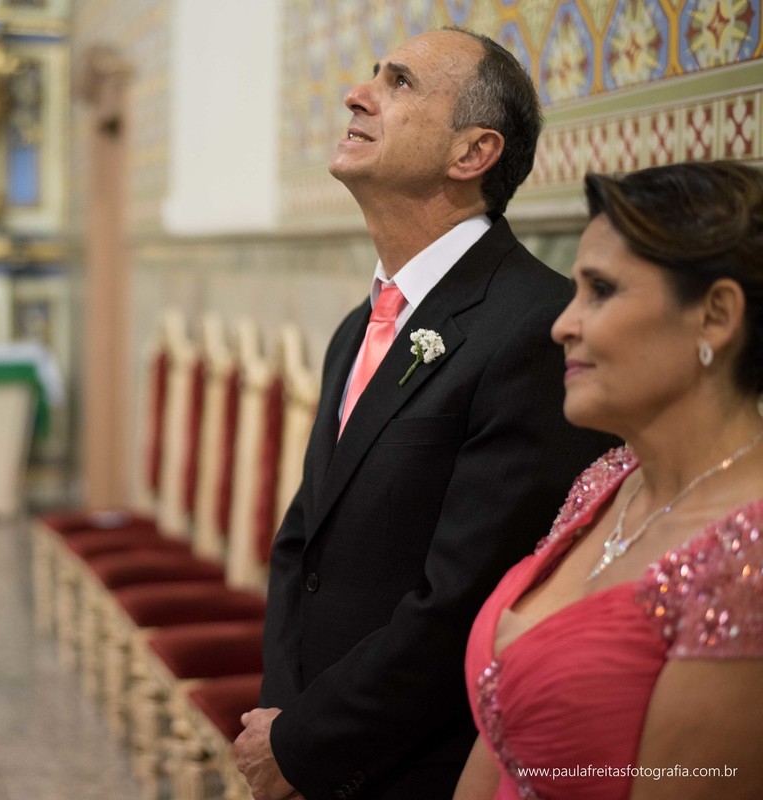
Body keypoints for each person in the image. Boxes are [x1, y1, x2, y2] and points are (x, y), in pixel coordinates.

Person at [232, 28, 616, 800]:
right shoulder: (359, 326)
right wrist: (283, 718)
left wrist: (310, 743)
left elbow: (464, 600)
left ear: (472, 154)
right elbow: (301, 545)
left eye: (399, 83)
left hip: (419, 768)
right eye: (374, 75)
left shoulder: (531, 329)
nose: (357, 93)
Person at [453, 162, 763, 800]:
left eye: (601, 291)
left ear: (715, 316)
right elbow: (501, 734)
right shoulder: (609, 480)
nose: (562, 325)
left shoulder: (750, 555)